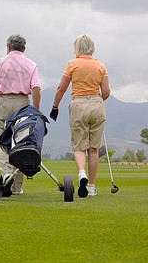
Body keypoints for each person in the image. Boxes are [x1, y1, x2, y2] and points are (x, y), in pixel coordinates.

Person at [50, 34, 110, 197]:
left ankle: (81, 172)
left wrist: (55, 107)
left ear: (77, 48)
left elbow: (61, 89)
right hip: (97, 106)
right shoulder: (101, 66)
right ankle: (91, 186)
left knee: (79, 146)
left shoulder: (72, 64)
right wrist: (99, 98)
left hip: (78, 105)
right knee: (93, 148)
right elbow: (105, 92)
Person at [0, 35, 41, 195]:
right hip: (23, 103)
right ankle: (16, 187)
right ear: (24, 48)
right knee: (21, 141)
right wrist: (35, 112)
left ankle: (6, 173)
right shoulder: (31, 64)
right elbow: (36, 88)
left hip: (3, 101)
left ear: (8, 46)